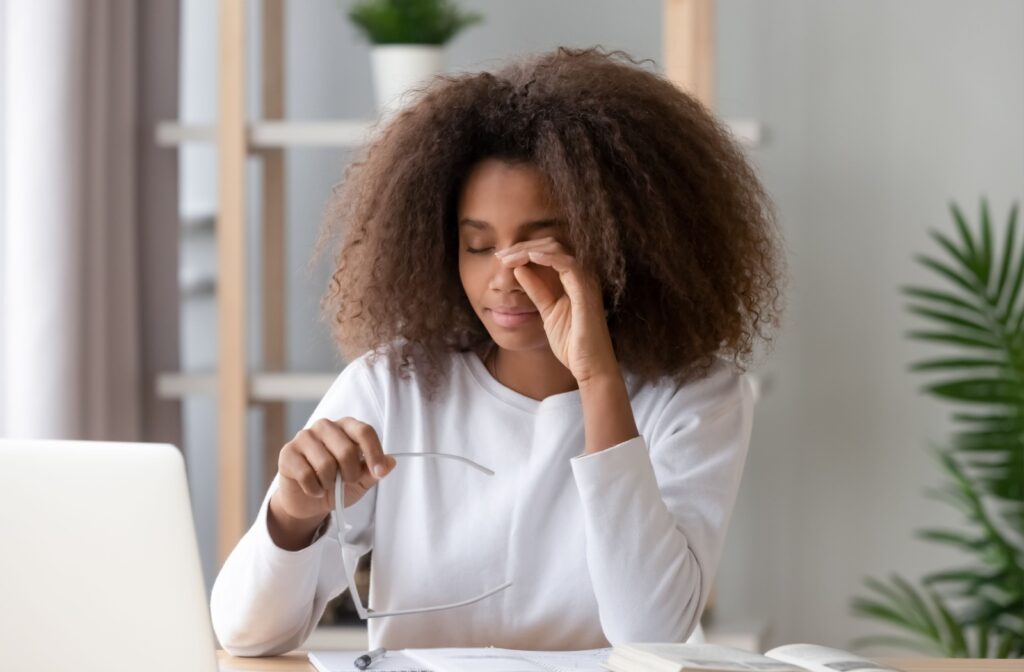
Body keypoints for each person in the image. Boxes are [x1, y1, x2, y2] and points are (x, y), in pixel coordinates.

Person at [210, 46, 786, 657]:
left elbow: (650, 634)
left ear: (622, 247)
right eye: (478, 246)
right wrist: (293, 513)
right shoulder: (393, 385)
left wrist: (596, 379)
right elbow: (247, 635)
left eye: (541, 247)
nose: (504, 278)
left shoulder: (694, 395)